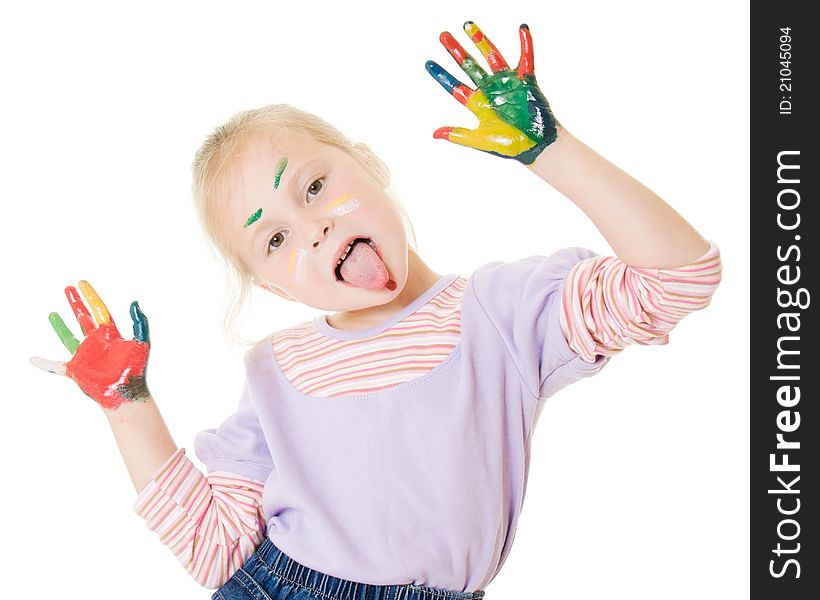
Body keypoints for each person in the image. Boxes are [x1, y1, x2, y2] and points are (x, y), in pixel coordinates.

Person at [30, 21, 722, 600]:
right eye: (273, 239)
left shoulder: (502, 313)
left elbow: (679, 279)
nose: (313, 229)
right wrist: (129, 406)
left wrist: (551, 150)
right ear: (272, 285)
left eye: (313, 186)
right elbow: (214, 550)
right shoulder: (277, 369)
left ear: (370, 162)